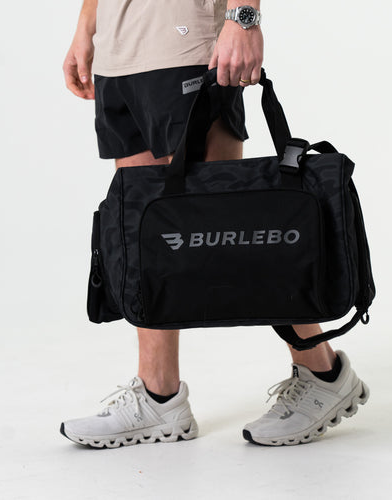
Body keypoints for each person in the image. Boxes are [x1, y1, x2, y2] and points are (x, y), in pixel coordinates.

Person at [60, 0, 369, 448]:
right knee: (147, 235)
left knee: (227, 233)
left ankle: (323, 373)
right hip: (119, 49)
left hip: (184, 41)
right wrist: (87, 25)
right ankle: (159, 396)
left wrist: (244, 17)